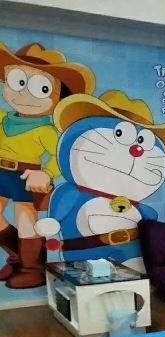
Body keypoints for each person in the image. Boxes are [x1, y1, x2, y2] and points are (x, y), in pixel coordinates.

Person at [0, 42, 95, 288]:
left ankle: (31, 268)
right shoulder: (3, 118)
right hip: (1, 172)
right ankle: (19, 257)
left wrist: (46, 174)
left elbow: (60, 157)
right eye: (18, 82)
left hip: (25, 175)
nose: (24, 94)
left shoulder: (47, 129)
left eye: (41, 88)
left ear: (57, 97)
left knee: (25, 220)